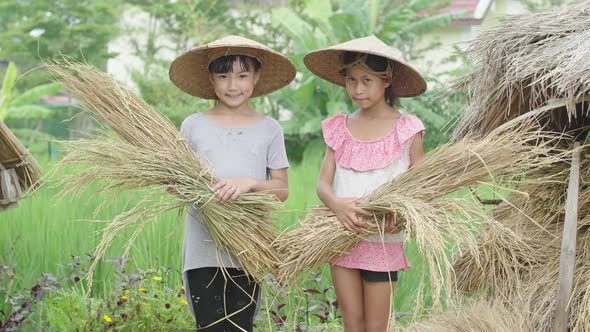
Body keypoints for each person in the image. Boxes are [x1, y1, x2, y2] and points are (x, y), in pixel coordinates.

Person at [169, 35, 295, 331]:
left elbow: (281, 189)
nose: (232, 85)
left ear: (256, 77)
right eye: (223, 76)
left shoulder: (269, 128)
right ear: (211, 79)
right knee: (209, 325)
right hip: (202, 248)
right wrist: (183, 185)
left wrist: (250, 183)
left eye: (242, 75)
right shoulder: (193, 125)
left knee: (240, 326)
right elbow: (175, 183)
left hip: (247, 250)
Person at [304, 35, 427, 331]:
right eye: (351, 80)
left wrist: (404, 216)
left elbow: (421, 188)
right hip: (341, 237)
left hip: (383, 239)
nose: (357, 89)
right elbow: (323, 184)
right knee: (352, 322)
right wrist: (336, 205)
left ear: (387, 80)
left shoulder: (407, 129)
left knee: (376, 326)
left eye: (367, 81)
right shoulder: (339, 127)